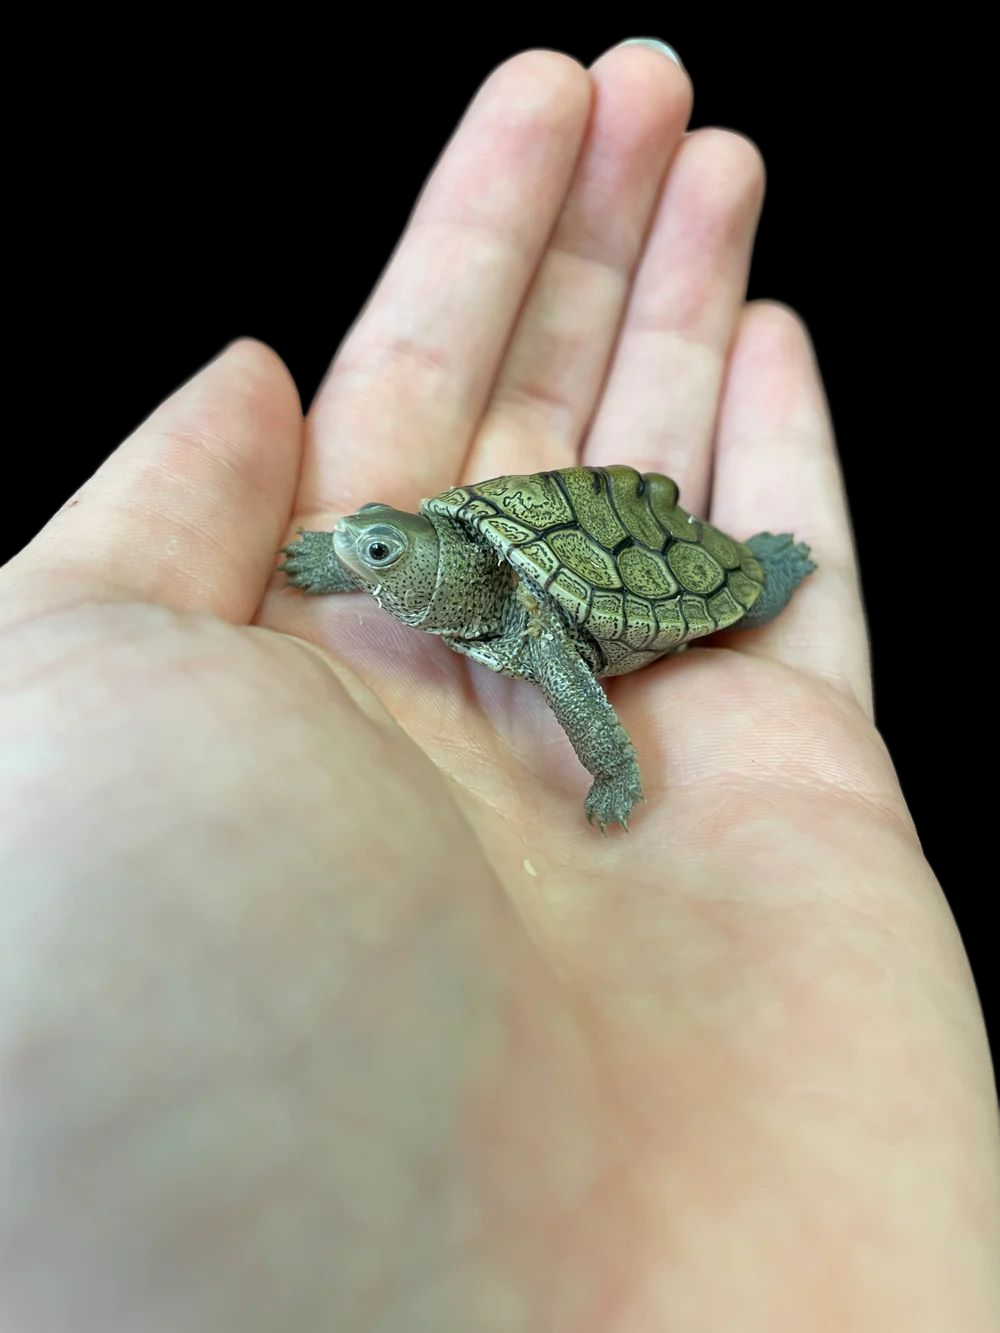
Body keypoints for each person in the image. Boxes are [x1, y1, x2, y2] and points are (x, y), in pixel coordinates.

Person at [1, 40, 996, 1332]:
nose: (367, 558)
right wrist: (337, 559)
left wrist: (617, 765)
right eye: (370, 552)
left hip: (630, 556)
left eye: (375, 552)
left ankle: (757, 562)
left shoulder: (525, 616)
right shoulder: (436, 567)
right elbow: (408, 555)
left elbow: (572, 686)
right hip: (514, 524)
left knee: (744, 598)